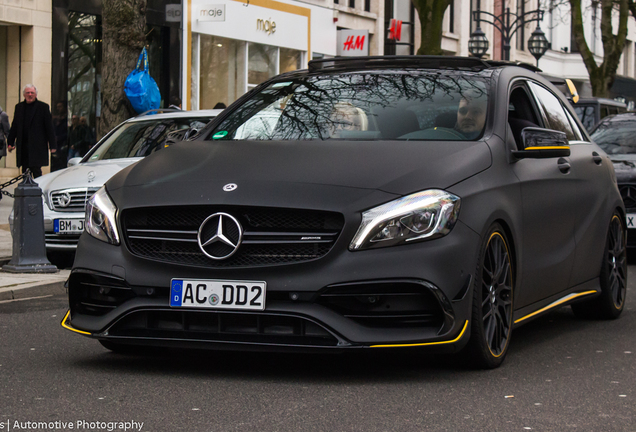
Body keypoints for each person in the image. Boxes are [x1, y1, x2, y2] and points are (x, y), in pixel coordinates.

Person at [7, 84, 56, 178]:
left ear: (36, 94)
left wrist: (52, 145)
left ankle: (38, 190)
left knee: (36, 169)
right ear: (24, 95)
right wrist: (10, 142)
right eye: (28, 93)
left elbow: (49, 127)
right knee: (24, 169)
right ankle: (25, 191)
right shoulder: (19, 107)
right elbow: (14, 126)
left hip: (37, 145)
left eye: (32, 93)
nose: (30, 95)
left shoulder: (43, 107)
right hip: (23, 145)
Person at [51, 101, 68, 171]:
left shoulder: (66, 119)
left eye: (60, 107)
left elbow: (67, 132)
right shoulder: (56, 119)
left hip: (64, 142)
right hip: (56, 142)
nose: (58, 109)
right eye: (57, 107)